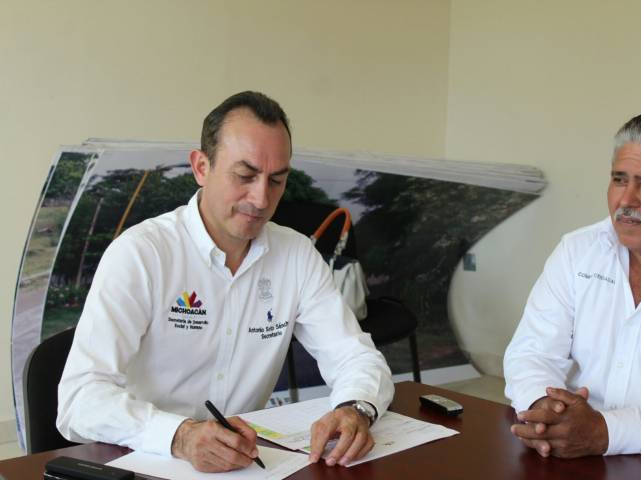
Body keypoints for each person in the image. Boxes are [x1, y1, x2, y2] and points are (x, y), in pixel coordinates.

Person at [57, 91, 394, 472]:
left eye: (276, 180)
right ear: (201, 167)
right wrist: (180, 436)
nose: (261, 199)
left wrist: (355, 408)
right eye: (245, 176)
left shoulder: (296, 255)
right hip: (144, 461)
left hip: (245, 466)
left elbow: (354, 355)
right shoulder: (142, 254)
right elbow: (78, 401)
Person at [504, 109, 641, 458]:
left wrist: (605, 432)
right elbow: (532, 352)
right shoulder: (579, 250)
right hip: (571, 452)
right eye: (619, 180)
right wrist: (546, 411)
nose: (626, 201)